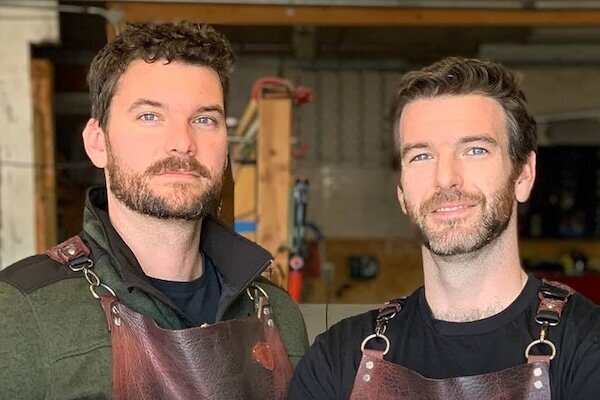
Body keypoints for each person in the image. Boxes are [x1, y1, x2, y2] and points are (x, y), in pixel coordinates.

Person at [0, 21, 307, 399]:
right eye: (150, 116)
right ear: (98, 143)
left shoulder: (277, 314)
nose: (182, 142)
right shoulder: (23, 311)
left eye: (204, 119)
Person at [288, 57, 600, 400]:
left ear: (524, 175)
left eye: (475, 150)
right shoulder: (338, 359)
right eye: (421, 156)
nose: (446, 178)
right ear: (402, 192)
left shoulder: (588, 347)